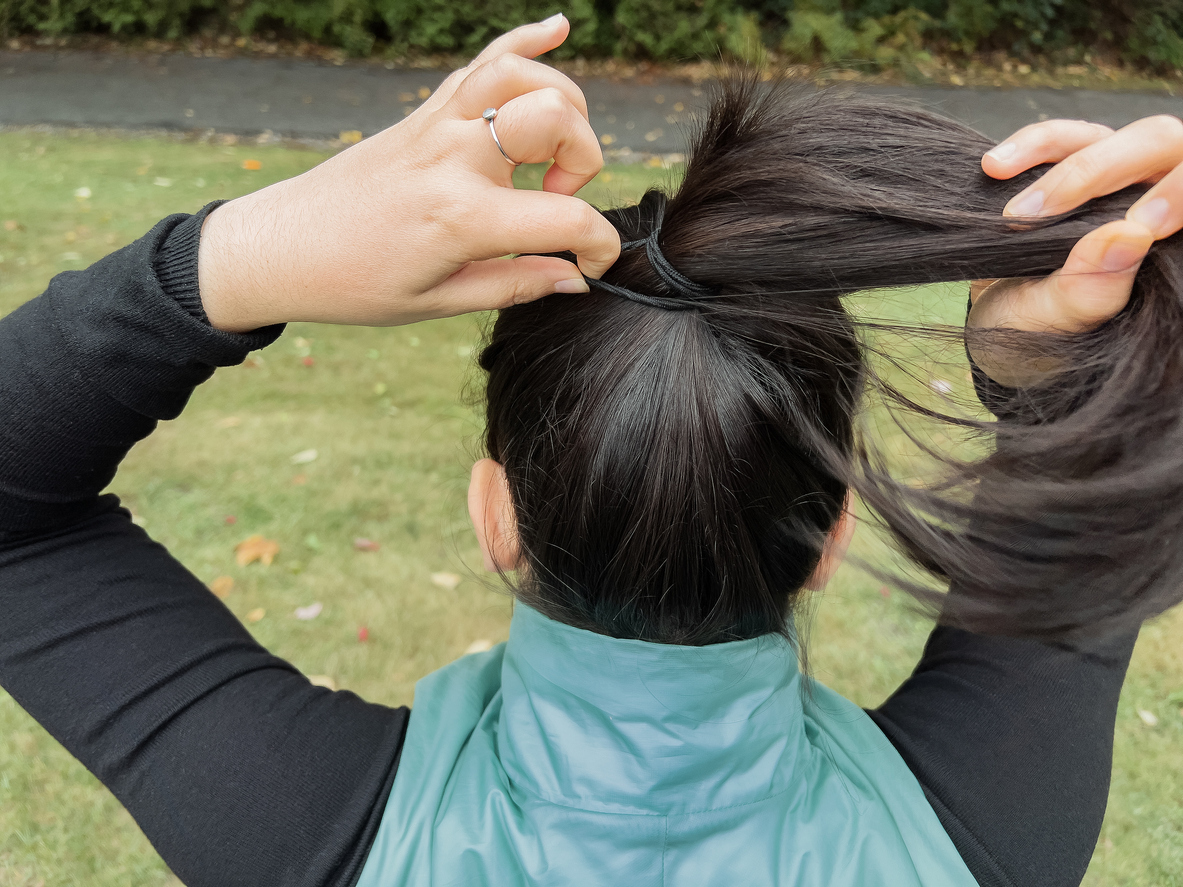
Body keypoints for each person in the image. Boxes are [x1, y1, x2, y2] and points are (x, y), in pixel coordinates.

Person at [1, 14, 1181, 887]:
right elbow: (1110, 508)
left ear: (494, 517)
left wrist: (248, 252)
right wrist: (1049, 375)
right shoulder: (980, 834)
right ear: (829, 538)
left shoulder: (309, 836)